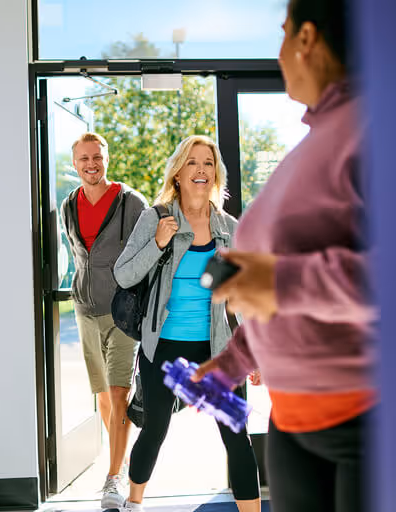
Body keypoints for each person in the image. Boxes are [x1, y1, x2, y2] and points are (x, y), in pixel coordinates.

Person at [192, 1, 375, 511]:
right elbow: (278, 289)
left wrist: (278, 281)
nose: (278, 53)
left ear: (308, 38)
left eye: (282, 34)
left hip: (361, 423)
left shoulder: (375, 132)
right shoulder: (312, 143)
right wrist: (232, 361)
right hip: (291, 423)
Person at [114, 135, 261, 512]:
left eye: (208, 163)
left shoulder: (228, 227)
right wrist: (158, 244)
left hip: (216, 349)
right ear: (178, 172)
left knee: (235, 433)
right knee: (156, 429)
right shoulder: (156, 218)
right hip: (163, 347)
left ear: (216, 174)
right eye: (192, 162)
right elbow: (124, 274)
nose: (200, 169)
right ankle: (134, 503)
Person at [59, 132, 149, 509]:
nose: (91, 164)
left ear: (105, 159)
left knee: (118, 392)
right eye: (84, 159)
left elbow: (146, 256)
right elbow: (77, 255)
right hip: (85, 308)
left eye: (96, 157)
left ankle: (113, 480)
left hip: (123, 312)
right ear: (75, 162)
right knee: (103, 397)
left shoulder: (131, 203)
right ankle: (119, 453)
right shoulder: (68, 205)